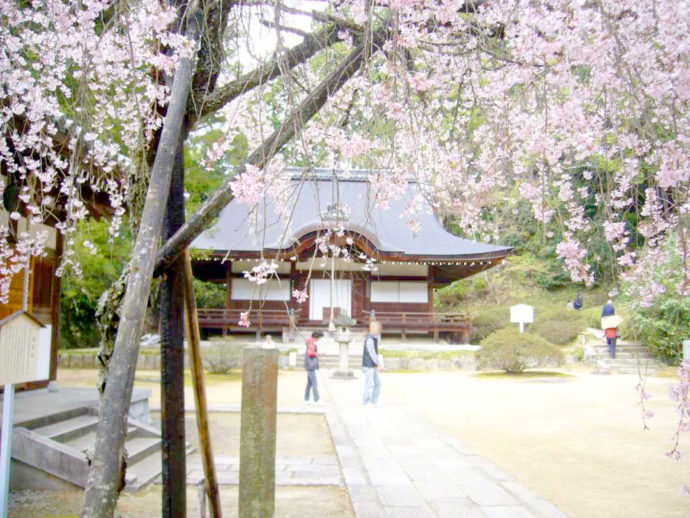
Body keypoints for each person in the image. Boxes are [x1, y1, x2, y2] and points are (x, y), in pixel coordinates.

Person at [362, 321, 382, 406]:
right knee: (369, 384)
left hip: (372, 364)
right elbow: (372, 353)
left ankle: (374, 401)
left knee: (378, 383)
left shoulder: (374, 338)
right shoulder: (370, 339)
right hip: (369, 364)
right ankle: (366, 402)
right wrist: (378, 363)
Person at [304, 330, 324, 405]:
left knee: (309, 383)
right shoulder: (311, 343)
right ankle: (317, 399)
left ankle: (306, 399)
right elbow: (310, 354)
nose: (320, 339)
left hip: (309, 364)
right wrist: (318, 354)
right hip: (311, 365)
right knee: (315, 383)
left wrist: (318, 354)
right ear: (316, 337)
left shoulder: (310, 342)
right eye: (320, 338)